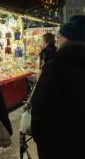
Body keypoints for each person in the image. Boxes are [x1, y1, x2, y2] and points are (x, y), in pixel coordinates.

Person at [31, 15, 85, 159]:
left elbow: (40, 107)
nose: (58, 40)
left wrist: (40, 139)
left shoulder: (55, 65)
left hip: (58, 144)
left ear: (67, 38)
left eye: (60, 36)